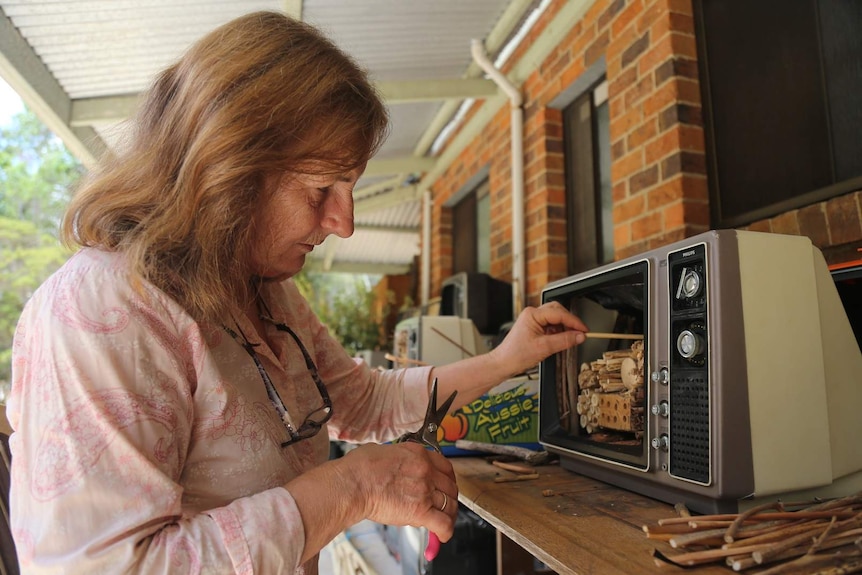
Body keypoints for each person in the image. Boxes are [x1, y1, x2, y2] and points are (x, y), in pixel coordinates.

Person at [6, 11, 589, 575]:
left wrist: (505, 360)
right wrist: (350, 488)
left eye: (351, 187)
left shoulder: (265, 295)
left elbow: (365, 403)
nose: (345, 222)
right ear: (228, 169)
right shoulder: (101, 313)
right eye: (321, 189)